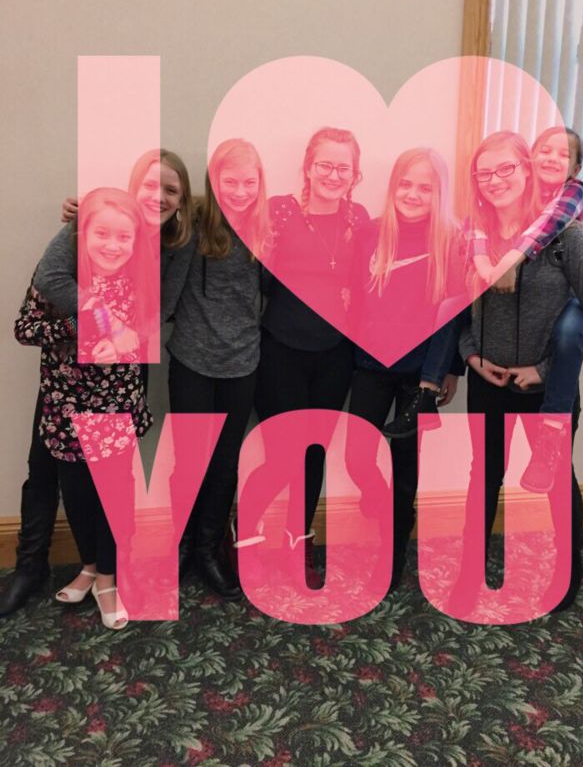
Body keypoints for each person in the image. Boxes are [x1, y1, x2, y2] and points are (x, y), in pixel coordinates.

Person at [0, 149, 192, 617]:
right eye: (150, 185)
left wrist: (125, 336)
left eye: (171, 190)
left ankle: (109, 570)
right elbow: (45, 290)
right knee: (50, 472)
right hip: (64, 388)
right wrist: (94, 323)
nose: (159, 197)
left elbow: (157, 312)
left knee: (113, 483)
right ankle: (38, 565)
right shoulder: (90, 224)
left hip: (116, 384)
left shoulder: (172, 244)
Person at [456, 130, 583, 614]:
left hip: (545, 390)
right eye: (485, 173)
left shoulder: (564, 238)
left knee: (557, 481)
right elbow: (457, 310)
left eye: (506, 169)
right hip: (489, 382)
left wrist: (544, 370)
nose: (495, 180)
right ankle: (468, 573)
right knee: (484, 477)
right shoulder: (472, 237)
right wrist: (472, 355)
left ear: (526, 172)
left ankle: (566, 575)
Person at [234, 127, 369, 589]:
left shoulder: (358, 218)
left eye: (343, 167)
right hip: (281, 351)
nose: (333, 175)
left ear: (355, 174)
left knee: (314, 455)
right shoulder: (278, 212)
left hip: (336, 355)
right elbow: (226, 229)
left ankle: (298, 543)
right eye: (325, 165)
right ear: (308, 168)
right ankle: (244, 536)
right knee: (281, 457)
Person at [14, 188, 154, 629]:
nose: (112, 245)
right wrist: (77, 325)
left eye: (123, 237)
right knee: (75, 494)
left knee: (113, 496)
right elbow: (24, 329)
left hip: (114, 406)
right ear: (81, 235)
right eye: (102, 234)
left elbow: (144, 332)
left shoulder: (139, 278)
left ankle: (109, 578)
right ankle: (90, 567)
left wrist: (123, 343)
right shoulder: (59, 281)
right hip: (65, 408)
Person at [344, 147, 467, 589]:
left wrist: (446, 372)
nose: (413, 194)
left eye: (425, 188)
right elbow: (354, 301)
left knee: (404, 467)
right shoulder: (370, 234)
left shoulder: (451, 243)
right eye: (406, 184)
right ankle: (384, 506)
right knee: (357, 457)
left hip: (421, 375)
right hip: (371, 366)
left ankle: (393, 550)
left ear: (439, 193)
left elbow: (454, 317)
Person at [161, 139, 269, 599]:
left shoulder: (267, 229)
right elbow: (143, 215)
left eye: (249, 182)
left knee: (226, 462)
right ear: (212, 181)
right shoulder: (193, 222)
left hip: (242, 363)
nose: (240, 192)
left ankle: (208, 549)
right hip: (192, 360)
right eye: (230, 182)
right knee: (188, 461)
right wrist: (83, 209)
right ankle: (182, 545)